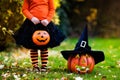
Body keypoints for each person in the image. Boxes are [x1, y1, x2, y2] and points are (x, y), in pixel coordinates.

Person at [13, 0, 66, 72]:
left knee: (44, 46)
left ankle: (44, 66)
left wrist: (47, 20)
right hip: (32, 24)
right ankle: (35, 66)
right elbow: (24, 9)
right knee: (33, 46)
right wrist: (32, 18)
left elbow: (52, 9)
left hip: (45, 23)